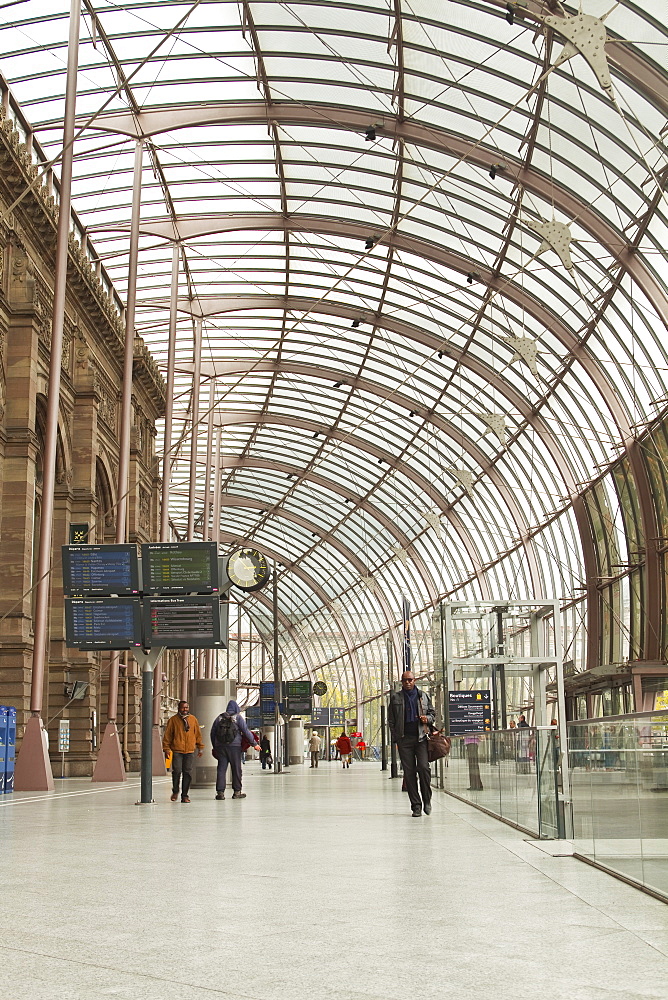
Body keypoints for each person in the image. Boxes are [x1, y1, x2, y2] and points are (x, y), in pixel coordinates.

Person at [388, 671, 436, 817]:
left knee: (423, 768)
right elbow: (391, 720)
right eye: (404, 680)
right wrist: (396, 738)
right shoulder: (396, 697)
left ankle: (427, 799)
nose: (407, 682)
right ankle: (416, 806)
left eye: (410, 680)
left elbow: (433, 715)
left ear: (414, 680)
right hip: (404, 740)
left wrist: (426, 719)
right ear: (401, 682)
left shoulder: (423, 696)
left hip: (421, 738)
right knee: (409, 774)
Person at [211, 700, 260, 800]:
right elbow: (246, 731)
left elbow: (212, 733)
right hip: (234, 747)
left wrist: (215, 746)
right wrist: (254, 744)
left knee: (221, 769)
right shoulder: (237, 718)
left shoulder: (219, 718)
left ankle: (220, 793)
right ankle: (237, 792)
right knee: (236, 769)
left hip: (221, 747)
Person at [162, 700, 204, 803]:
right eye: (183, 708)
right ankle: (175, 791)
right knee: (176, 771)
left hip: (189, 750)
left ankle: (185, 795)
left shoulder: (193, 720)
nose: (185, 710)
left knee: (187, 772)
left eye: (186, 708)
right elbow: (167, 736)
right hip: (177, 750)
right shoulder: (173, 720)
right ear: (178, 708)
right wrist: (166, 749)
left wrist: (200, 747)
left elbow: (197, 734)